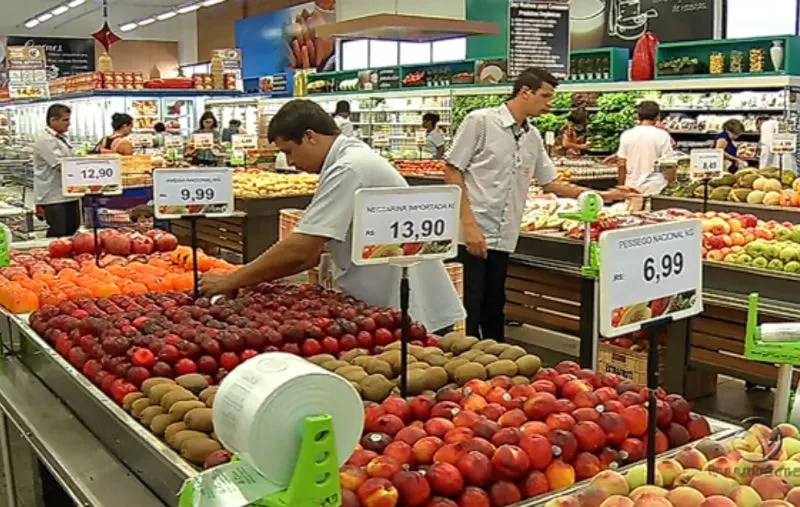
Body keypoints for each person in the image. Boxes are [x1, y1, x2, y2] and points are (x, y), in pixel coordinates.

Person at [199, 99, 465, 333]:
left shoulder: (349, 168)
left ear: (310, 136)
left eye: (288, 151)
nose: (289, 163)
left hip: (411, 313)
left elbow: (302, 251)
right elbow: (311, 254)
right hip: (396, 308)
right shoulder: (350, 159)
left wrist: (231, 279)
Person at [444, 67, 634, 341]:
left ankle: (497, 366)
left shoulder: (532, 137)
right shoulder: (481, 122)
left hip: (503, 235)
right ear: (524, 92)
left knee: (495, 305)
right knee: (469, 306)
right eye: (545, 96)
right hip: (470, 234)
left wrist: (602, 196)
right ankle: (467, 368)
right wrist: (468, 225)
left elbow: (550, 183)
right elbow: (452, 171)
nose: (549, 104)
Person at [33, 104, 80, 237]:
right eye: (65, 120)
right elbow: (60, 166)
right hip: (53, 196)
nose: (69, 124)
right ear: (53, 120)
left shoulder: (61, 137)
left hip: (67, 193)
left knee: (71, 228)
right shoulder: (46, 140)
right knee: (59, 231)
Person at [616, 101, 674, 194]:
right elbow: (669, 165)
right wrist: (671, 185)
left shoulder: (626, 135)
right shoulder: (662, 135)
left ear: (638, 116)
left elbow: (622, 164)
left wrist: (621, 187)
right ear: (658, 116)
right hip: (656, 187)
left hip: (632, 187)